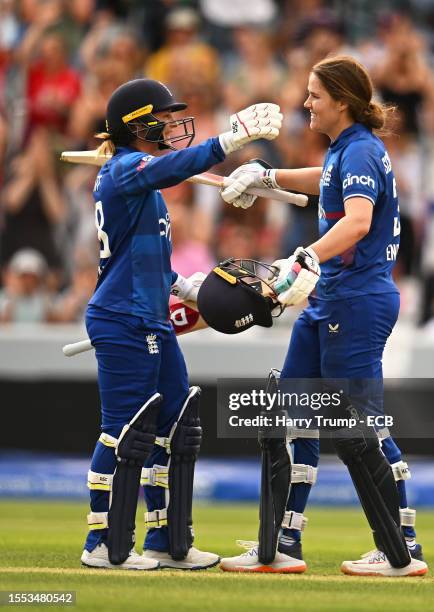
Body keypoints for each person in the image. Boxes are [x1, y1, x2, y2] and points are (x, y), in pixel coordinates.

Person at [218, 56, 428, 577]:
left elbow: (357, 222)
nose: (305, 102)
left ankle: (402, 546)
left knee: (363, 426)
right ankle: (283, 540)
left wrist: (308, 253)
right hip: (332, 300)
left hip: (355, 301)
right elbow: (325, 179)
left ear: (341, 99)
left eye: (314, 94)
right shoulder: (347, 151)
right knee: (294, 415)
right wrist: (268, 176)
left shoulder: (357, 151)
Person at [80, 77, 282, 570]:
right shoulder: (126, 170)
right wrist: (228, 140)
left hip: (149, 315)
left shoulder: (142, 183)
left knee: (177, 427)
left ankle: (166, 540)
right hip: (121, 317)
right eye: (163, 118)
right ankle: (102, 543)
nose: (171, 125)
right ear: (137, 124)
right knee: (122, 432)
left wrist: (185, 286)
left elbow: (146, 258)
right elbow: (171, 168)